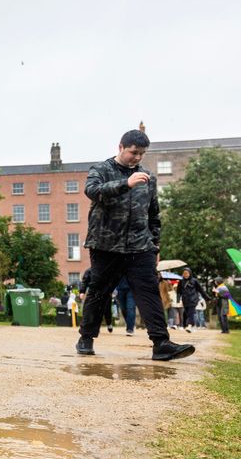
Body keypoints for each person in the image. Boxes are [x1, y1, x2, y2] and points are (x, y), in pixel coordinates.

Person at [75, 129, 194, 361]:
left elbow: (154, 216)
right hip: (105, 245)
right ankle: (86, 338)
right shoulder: (101, 170)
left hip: (140, 247)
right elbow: (92, 191)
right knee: (99, 291)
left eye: (141, 154)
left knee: (149, 291)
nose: (137, 158)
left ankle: (161, 343)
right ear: (121, 147)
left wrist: (155, 246)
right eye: (133, 152)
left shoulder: (148, 178)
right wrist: (125, 184)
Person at [177, 267, 209, 331]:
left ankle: (189, 325)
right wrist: (178, 300)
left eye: (187, 273)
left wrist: (207, 298)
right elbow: (178, 291)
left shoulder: (194, 281)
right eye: (184, 273)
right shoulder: (181, 281)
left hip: (193, 299)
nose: (185, 275)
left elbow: (201, 290)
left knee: (190, 312)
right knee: (186, 312)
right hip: (185, 300)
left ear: (190, 273)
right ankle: (190, 325)